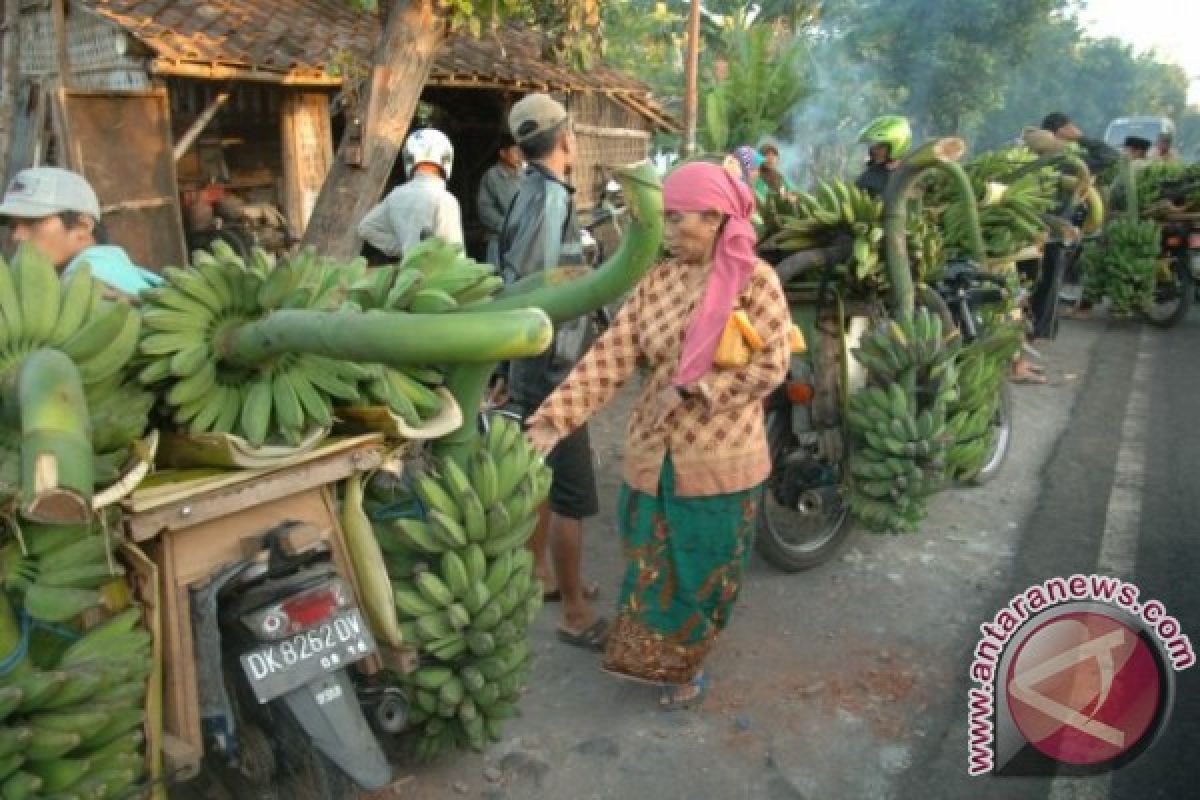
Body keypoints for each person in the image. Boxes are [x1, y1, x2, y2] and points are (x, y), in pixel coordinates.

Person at [525, 161, 791, 710]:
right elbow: (611, 356)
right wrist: (553, 420)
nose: (666, 232)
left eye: (677, 219)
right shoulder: (659, 281)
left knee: (701, 569)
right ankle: (656, 655)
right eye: (664, 219)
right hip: (652, 451)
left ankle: (686, 666)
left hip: (721, 457)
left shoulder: (755, 281)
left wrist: (698, 390)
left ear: (716, 217)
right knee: (649, 561)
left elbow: (773, 365)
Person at [498, 93, 604, 649]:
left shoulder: (526, 193)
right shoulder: (548, 200)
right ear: (566, 139)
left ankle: (544, 579)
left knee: (540, 476)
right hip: (553, 369)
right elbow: (542, 294)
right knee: (571, 493)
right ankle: (577, 614)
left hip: (530, 364)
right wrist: (568, 373)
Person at [0, 167, 161, 297]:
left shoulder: (96, 282)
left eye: (32, 221)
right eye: (13, 226)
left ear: (82, 226)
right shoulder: (113, 267)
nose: (16, 236)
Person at [357, 128, 463, 259]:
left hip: (407, 276)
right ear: (446, 159)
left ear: (410, 158)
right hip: (437, 276)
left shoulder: (395, 195)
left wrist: (404, 249)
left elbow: (365, 228)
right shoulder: (445, 200)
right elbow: (455, 255)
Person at [476, 133, 524, 266]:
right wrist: (507, 226)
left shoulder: (524, 175)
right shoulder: (492, 176)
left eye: (521, 150)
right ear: (503, 153)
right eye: (515, 150)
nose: (520, 154)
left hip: (522, 239)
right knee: (500, 281)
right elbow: (485, 210)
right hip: (499, 241)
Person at [1039, 112, 1119, 177]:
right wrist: (1081, 138)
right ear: (1062, 131)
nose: (1075, 128)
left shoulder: (1041, 162)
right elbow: (1111, 158)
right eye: (1071, 126)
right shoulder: (1065, 161)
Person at [855, 115, 911, 198]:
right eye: (872, 145)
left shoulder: (910, 175)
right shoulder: (870, 176)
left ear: (896, 145)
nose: (873, 150)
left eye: (879, 146)